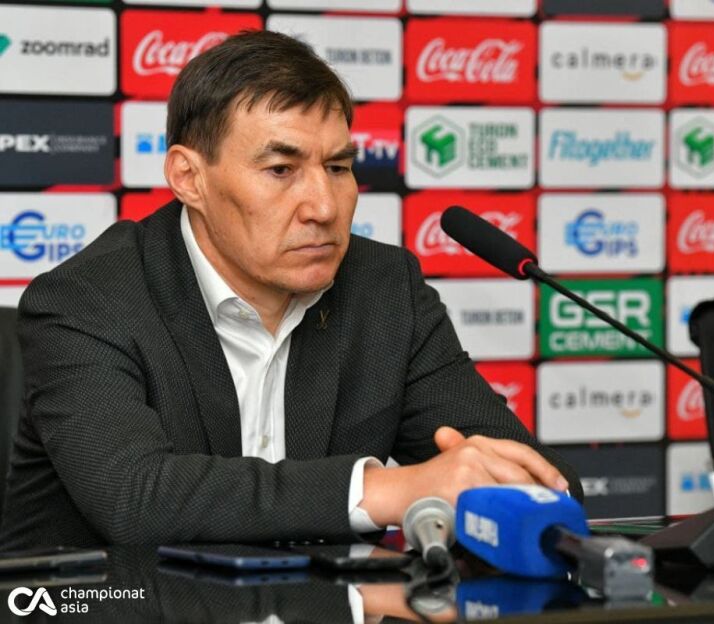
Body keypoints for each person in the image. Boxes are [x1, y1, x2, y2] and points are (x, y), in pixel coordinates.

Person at [0, 30, 581, 549]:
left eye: (338, 168)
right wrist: (386, 490)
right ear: (189, 178)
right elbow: (136, 498)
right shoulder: (89, 298)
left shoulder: (385, 291)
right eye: (281, 170)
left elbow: (541, 482)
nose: (324, 207)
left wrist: (502, 485)